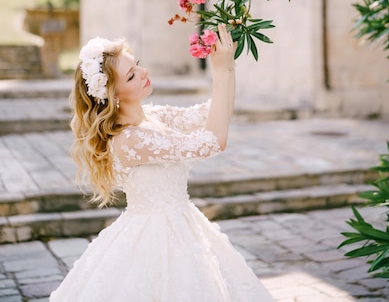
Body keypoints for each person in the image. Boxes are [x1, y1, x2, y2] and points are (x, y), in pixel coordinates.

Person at [50, 23, 275, 301]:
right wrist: (218, 70)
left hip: (185, 222)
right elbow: (214, 141)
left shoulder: (154, 116)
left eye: (138, 65)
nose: (144, 73)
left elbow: (219, 110)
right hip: (154, 236)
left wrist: (227, 64)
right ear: (114, 95)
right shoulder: (129, 139)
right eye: (132, 75)